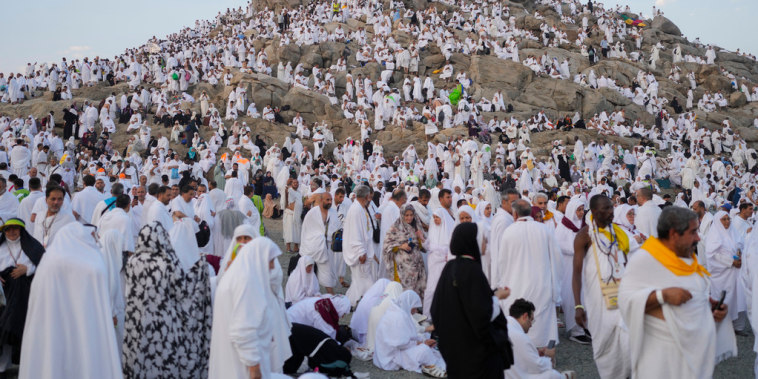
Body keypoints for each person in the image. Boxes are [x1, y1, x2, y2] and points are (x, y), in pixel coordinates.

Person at [619, 207, 729, 378]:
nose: (698, 238)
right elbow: (625, 301)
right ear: (673, 234)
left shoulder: (687, 258)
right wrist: (662, 296)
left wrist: (709, 309)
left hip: (693, 358)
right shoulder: (645, 259)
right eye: (693, 232)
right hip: (661, 360)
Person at [19, 223, 122, 379]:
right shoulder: (93, 263)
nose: (96, 239)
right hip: (87, 327)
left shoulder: (49, 262)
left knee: (52, 362)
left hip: (52, 326)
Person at [122, 222, 212, 378]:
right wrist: (200, 268)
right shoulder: (167, 262)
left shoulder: (133, 262)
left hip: (135, 322)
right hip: (161, 324)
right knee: (160, 358)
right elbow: (182, 289)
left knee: (138, 355)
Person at [431, 223, 513, 378]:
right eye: (483, 239)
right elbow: (481, 313)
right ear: (472, 241)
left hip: (454, 349)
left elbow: (437, 309)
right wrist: (497, 297)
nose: (486, 243)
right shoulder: (472, 270)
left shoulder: (450, 267)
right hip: (475, 352)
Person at [209, 238, 292, 379]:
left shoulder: (237, 276)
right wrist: (254, 367)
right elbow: (243, 329)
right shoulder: (245, 281)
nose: (272, 267)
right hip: (243, 365)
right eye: (270, 261)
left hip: (235, 358)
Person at [572, 195, 634, 379]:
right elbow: (576, 273)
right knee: (604, 344)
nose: (610, 212)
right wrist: (578, 305)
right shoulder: (584, 236)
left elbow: (633, 256)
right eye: (605, 209)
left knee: (628, 339)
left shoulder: (619, 232)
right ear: (594, 211)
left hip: (622, 293)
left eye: (611, 208)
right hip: (598, 298)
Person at [494, 199, 560, 348]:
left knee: (519, 324)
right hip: (542, 284)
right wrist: (556, 287)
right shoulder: (544, 230)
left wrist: (500, 284)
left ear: (515, 213)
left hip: (515, 285)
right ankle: (547, 355)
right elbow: (556, 259)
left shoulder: (509, 232)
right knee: (543, 324)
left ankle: (521, 355)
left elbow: (501, 262)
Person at [0, 218, 44, 375]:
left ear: (22, 230)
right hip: (3, 295)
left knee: (20, 329)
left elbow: (44, 264)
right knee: (4, 329)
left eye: (15, 229)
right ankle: (2, 367)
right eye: (8, 229)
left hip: (26, 296)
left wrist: (28, 269)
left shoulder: (33, 246)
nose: (11, 232)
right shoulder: (1, 247)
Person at [373, 290, 446, 377]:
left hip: (392, 352)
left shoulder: (398, 311)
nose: (415, 311)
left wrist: (423, 341)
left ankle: (430, 362)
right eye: (414, 308)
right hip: (391, 358)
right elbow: (401, 344)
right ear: (408, 304)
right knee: (424, 350)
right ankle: (430, 366)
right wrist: (422, 343)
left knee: (425, 339)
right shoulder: (398, 317)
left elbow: (409, 335)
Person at [506, 298, 576, 379]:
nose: (531, 325)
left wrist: (536, 353)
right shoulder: (520, 336)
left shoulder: (503, 325)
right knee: (552, 375)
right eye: (531, 320)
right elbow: (537, 367)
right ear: (525, 316)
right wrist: (548, 357)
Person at [554, 197, 590, 344]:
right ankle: (575, 329)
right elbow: (560, 245)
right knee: (571, 297)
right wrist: (579, 248)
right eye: (578, 210)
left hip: (583, 265)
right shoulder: (563, 227)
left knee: (585, 295)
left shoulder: (583, 226)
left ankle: (584, 326)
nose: (581, 213)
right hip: (569, 267)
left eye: (582, 210)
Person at [704, 210, 743, 333]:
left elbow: (740, 243)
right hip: (722, 274)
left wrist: (739, 253)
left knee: (738, 298)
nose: (727, 222)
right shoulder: (714, 234)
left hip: (735, 272)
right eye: (724, 219)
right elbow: (712, 254)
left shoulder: (733, 231)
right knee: (725, 298)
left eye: (728, 219)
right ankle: (724, 326)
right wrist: (731, 262)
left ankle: (738, 326)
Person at [382, 205, 427, 297]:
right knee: (405, 291)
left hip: (416, 264)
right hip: (403, 267)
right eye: (406, 215)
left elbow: (424, 246)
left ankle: (414, 308)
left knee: (416, 289)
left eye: (411, 215)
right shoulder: (396, 227)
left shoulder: (416, 226)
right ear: (402, 215)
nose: (409, 217)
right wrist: (400, 246)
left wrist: (420, 238)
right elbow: (387, 244)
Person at [343, 185, 376, 305]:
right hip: (359, 252)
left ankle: (352, 301)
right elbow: (355, 233)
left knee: (358, 280)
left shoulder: (360, 208)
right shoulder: (356, 210)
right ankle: (366, 302)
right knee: (364, 279)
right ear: (367, 196)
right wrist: (361, 251)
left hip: (364, 250)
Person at [300, 190, 336, 294]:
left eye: (331, 200)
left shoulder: (333, 213)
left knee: (327, 273)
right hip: (312, 247)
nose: (330, 202)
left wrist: (327, 238)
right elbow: (306, 231)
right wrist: (318, 238)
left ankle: (331, 294)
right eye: (327, 200)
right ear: (321, 201)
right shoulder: (312, 213)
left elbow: (337, 229)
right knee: (308, 272)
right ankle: (307, 293)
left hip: (326, 247)